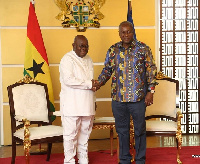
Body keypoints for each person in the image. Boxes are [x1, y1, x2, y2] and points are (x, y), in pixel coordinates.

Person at [96, 21, 158, 164]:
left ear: (133, 31)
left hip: (138, 99)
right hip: (119, 99)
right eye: (123, 32)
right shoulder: (113, 50)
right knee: (122, 131)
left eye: (128, 31)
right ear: (119, 33)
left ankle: (140, 160)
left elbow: (151, 71)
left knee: (140, 130)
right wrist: (99, 83)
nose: (126, 35)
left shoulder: (143, 48)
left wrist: (151, 92)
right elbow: (107, 70)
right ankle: (124, 160)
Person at [59, 35, 98, 164]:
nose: (84, 48)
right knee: (70, 136)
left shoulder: (89, 59)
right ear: (73, 45)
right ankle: (69, 161)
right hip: (72, 105)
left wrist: (94, 101)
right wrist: (89, 84)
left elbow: (91, 83)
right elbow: (68, 80)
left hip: (87, 105)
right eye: (81, 45)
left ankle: (83, 160)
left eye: (86, 46)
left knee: (85, 135)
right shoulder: (67, 59)